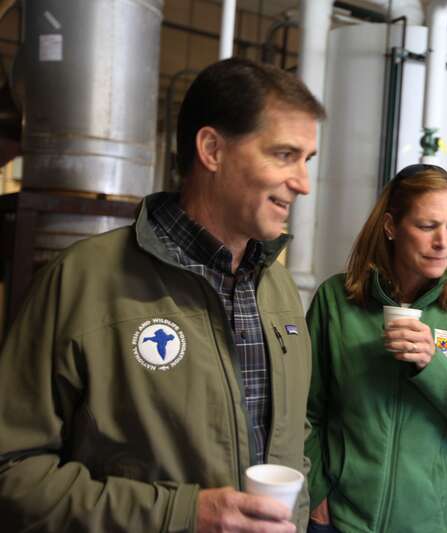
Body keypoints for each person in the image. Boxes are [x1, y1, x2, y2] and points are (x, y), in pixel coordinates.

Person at [0, 57, 324, 532]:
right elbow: (13, 471)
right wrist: (182, 514)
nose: (303, 183)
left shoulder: (279, 290)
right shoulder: (83, 281)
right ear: (212, 149)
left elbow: (294, 437)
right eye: (283, 155)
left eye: (307, 160)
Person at [304, 164, 447, 532]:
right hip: (343, 522)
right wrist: (316, 491)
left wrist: (433, 365)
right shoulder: (336, 300)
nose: (443, 242)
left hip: (437, 525)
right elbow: (305, 410)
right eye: (427, 226)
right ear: (390, 226)